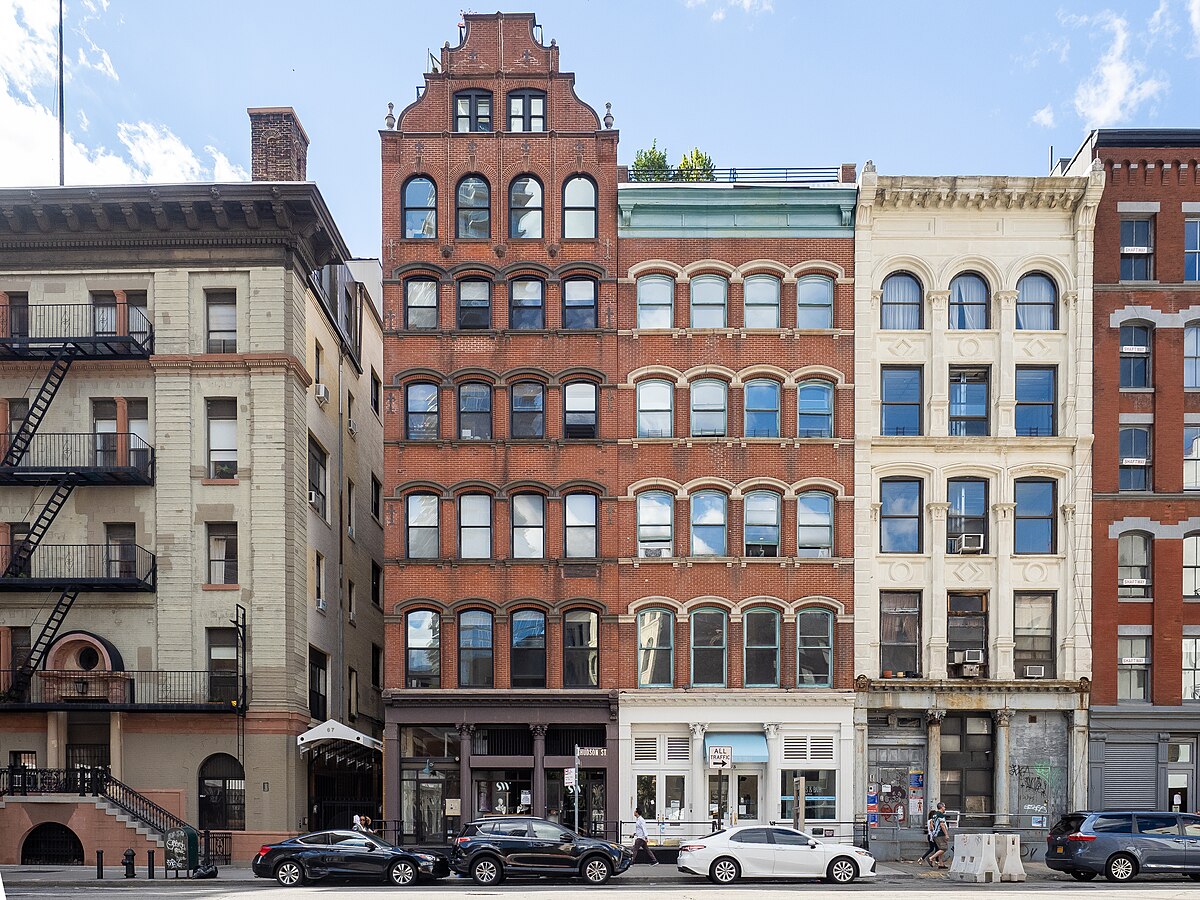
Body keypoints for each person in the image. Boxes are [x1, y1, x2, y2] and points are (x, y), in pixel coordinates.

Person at [928, 802, 951, 869]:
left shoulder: (934, 815)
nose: (945, 808)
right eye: (944, 807)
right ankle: (931, 858)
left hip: (935, 834)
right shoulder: (940, 815)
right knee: (944, 848)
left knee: (940, 848)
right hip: (940, 834)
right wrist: (946, 834)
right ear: (941, 807)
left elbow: (931, 824)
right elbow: (942, 825)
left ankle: (941, 864)